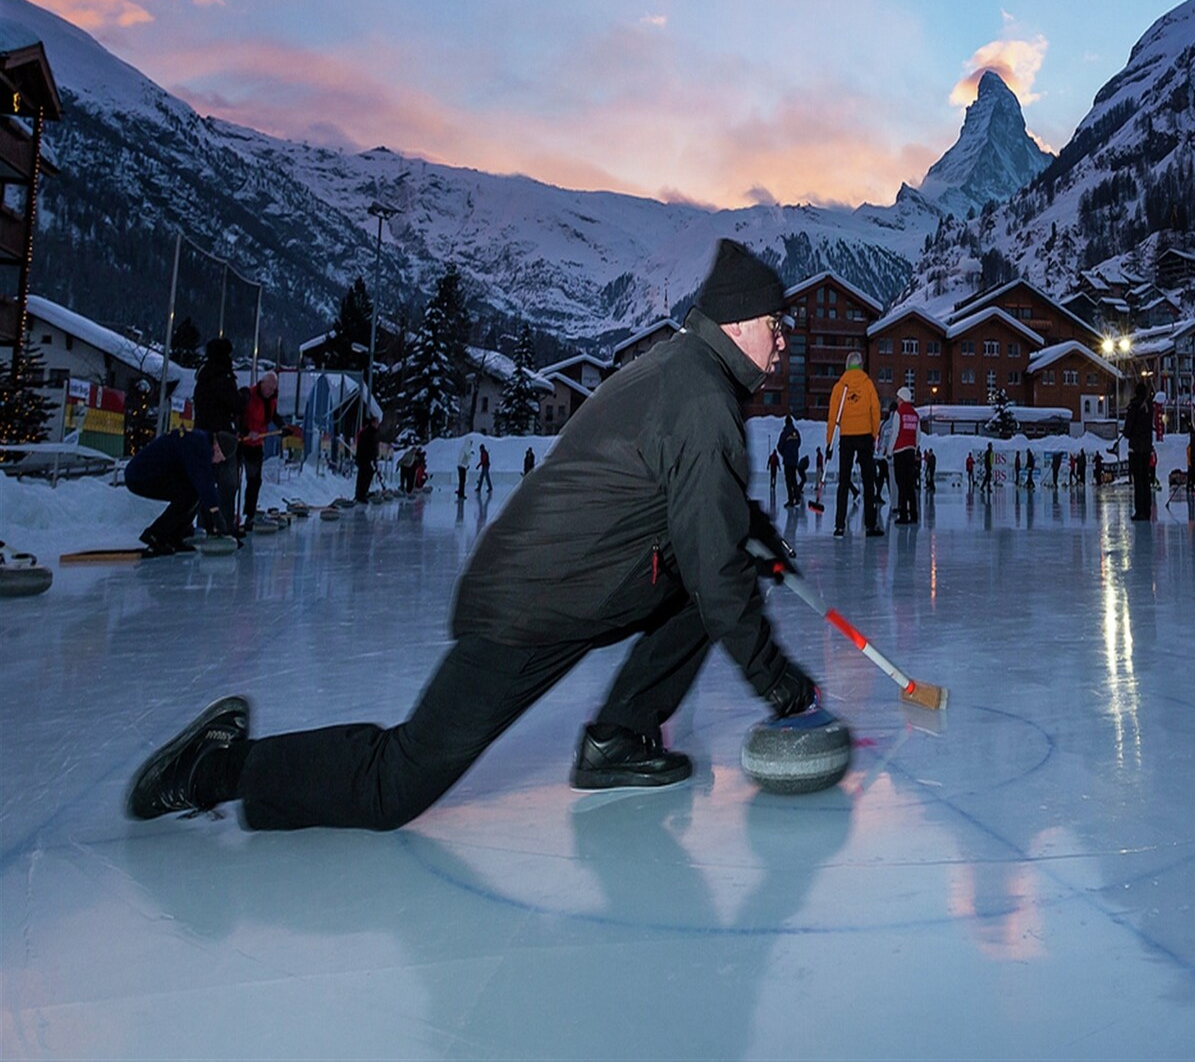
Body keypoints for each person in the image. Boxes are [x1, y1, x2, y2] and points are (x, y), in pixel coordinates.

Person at [126, 238, 821, 832]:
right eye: (775, 327)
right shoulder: (701, 399)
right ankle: (214, 767)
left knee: (709, 581)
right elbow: (713, 566)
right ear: (734, 326)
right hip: (532, 600)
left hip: (580, 580)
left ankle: (619, 737)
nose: (783, 342)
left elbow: (685, 499)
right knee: (395, 785)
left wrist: (745, 524)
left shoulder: (682, 371)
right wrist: (782, 687)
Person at [126, 429, 233, 555]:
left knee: (191, 492)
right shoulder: (200, 445)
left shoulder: (201, 441)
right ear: (217, 447)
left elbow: (202, 483)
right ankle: (156, 535)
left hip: (151, 472)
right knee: (188, 495)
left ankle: (174, 537)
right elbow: (204, 480)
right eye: (220, 458)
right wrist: (216, 513)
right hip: (141, 475)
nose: (218, 462)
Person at [825, 353, 882, 537]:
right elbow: (876, 410)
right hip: (864, 434)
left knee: (844, 480)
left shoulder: (840, 387)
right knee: (868, 481)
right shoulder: (867, 384)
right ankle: (870, 525)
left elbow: (833, 417)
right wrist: (874, 434)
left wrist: (829, 442)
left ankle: (840, 525)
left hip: (846, 436)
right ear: (861, 365)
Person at [193, 338, 241, 534]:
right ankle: (225, 527)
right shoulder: (223, 379)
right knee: (228, 486)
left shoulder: (202, 378)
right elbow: (236, 405)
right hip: (222, 437)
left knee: (205, 483)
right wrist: (243, 397)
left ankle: (204, 526)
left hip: (201, 434)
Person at [236, 371, 280, 532]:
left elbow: (273, 415)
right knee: (234, 480)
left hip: (257, 444)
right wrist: (246, 431)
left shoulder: (272, 399)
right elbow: (239, 417)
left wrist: (282, 426)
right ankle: (228, 515)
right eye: (267, 387)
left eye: (272, 388)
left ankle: (249, 514)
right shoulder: (249, 395)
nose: (269, 391)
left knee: (254, 481)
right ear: (261, 383)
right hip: (243, 442)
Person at [885, 386, 922, 524]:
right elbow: (918, 436)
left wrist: (890, 451)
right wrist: (914, 447)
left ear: (902, 398)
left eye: (898, 398)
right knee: (910, 483)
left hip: (900, 452)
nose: (897, 400)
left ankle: (903, 514)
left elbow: (895, 433)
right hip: (910, 452)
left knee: (901, 483)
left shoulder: (898, 413)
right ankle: (914, 514)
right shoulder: (915, 415)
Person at [1125, 382, 1155, 521]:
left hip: (1136, 448)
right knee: (1146, 480)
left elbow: (1128, 429)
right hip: (1147, 447)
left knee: (1138, 481)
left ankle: (1140, 511)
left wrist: (1127, 432)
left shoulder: (1134, 406)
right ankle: (1147, 510)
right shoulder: (1149, 406)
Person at [354, 411, 381, 503]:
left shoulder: (372, 433)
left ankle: (362, 493)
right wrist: (371, 457)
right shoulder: (368, 433)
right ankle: (361, 494)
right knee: (364, 476)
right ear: (373, 423)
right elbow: (366, 447)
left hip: (367, 458)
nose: (378, 425)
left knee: (367, 475)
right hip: (365, 458)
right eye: (376, 423)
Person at [777, 414, 802, 504]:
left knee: (788, 480)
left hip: (787, 460)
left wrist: (784, 454)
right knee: (794, 479)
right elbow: (799, 443)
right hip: (795, 459)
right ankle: (797, 497)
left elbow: (779, 446)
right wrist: (794, 451)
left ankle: (791, 499)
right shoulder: (796, 432)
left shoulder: (785, 433)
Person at [457, 436, 474, 501]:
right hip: (462, 466)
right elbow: (467, 454)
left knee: (462, 481)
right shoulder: (466, 447)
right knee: (462, 481)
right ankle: (461, 494)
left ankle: (461, 493)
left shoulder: (465, 447)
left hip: (462, 466)